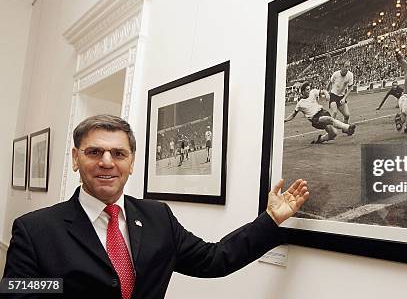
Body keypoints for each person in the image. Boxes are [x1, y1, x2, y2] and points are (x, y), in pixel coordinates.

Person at [2, 114, 309, 298]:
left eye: (118, 154)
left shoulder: (157, 216)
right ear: (75, 158)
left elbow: (215, 259)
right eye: (94, 152)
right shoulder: (35, 229)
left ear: (131, 163)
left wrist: (270, 219)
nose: (106, 162)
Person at [285, 81, 356, 144]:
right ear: (303, 92)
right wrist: (285, 120)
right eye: (307, 89)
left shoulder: (313, 92)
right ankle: (347, 127)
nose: (309, 91)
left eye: (309, 89)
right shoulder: (300, 103)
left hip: (322, 112)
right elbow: (293, 115)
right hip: (315, 119)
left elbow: (323, 91)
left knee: (333, 134)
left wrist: (327, 94)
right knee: (330, 119)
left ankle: (320, 139)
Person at [327, 60, 354, 124]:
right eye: (346, 67)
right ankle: (329, 130)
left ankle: (345, 128)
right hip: (333, 95)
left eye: (348, 67)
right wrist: (327, 93)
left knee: (347, 115)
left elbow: (350, 87)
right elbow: (330, 83)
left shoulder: (350, 75)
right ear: (341, 67)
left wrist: (344, 98)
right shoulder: (336, 74)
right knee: (334, 112)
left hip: (341, 97)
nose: (347, 69)